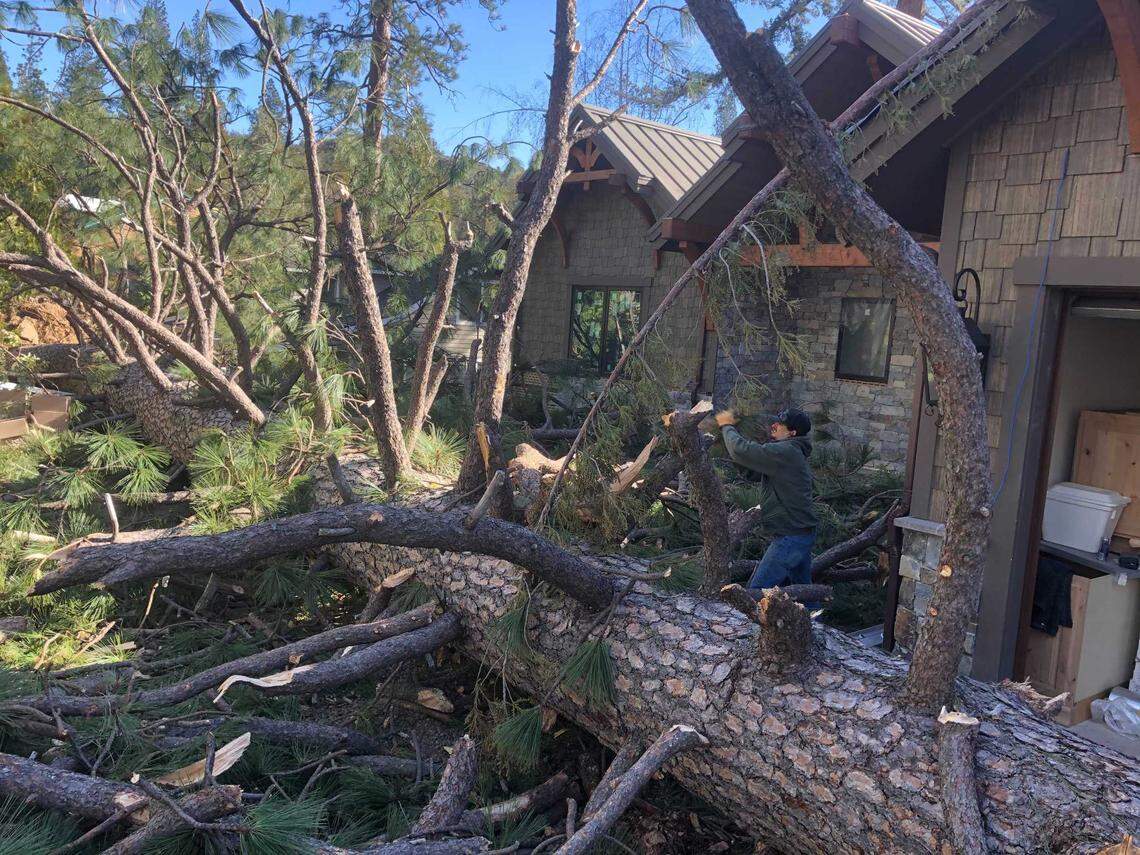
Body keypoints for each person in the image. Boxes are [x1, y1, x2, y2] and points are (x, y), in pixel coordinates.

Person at [714, 406, 819, 604]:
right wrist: (735, 450)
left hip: (792, 536)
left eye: (780, 424)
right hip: (801, 532)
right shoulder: (790, 452)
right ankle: (814, 629)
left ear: (792, 433)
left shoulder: (787, 450)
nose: (774, 426)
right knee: (805, 593)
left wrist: (726, 426)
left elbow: (741, 450)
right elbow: (751, 472)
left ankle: (748, 632)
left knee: (755, 592)